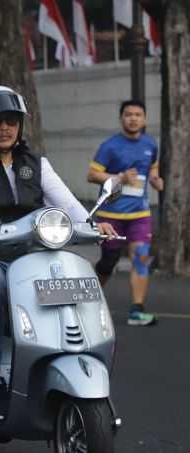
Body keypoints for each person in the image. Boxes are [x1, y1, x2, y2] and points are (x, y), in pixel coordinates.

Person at [0, 86, 117, 420]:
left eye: (12, 121)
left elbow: (66, 203)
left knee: (71, 275)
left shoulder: (36, 163)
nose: (4, 128)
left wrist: (92, 223)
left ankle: (67, 356)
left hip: (32, 255)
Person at [88, 100, 163, 326]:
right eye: (128, 114)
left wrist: (155, 179)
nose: (133, 118)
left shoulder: (151, 144)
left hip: (139, 215)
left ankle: (137, 310)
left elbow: (152, 167)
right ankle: (87, 303)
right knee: (108, 262)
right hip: (111, 215)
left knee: (140, 258)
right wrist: (119, 178)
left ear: (144, 119)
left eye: (138, 114)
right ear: (121, 118)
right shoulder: (110, 146)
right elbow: (91, 175)